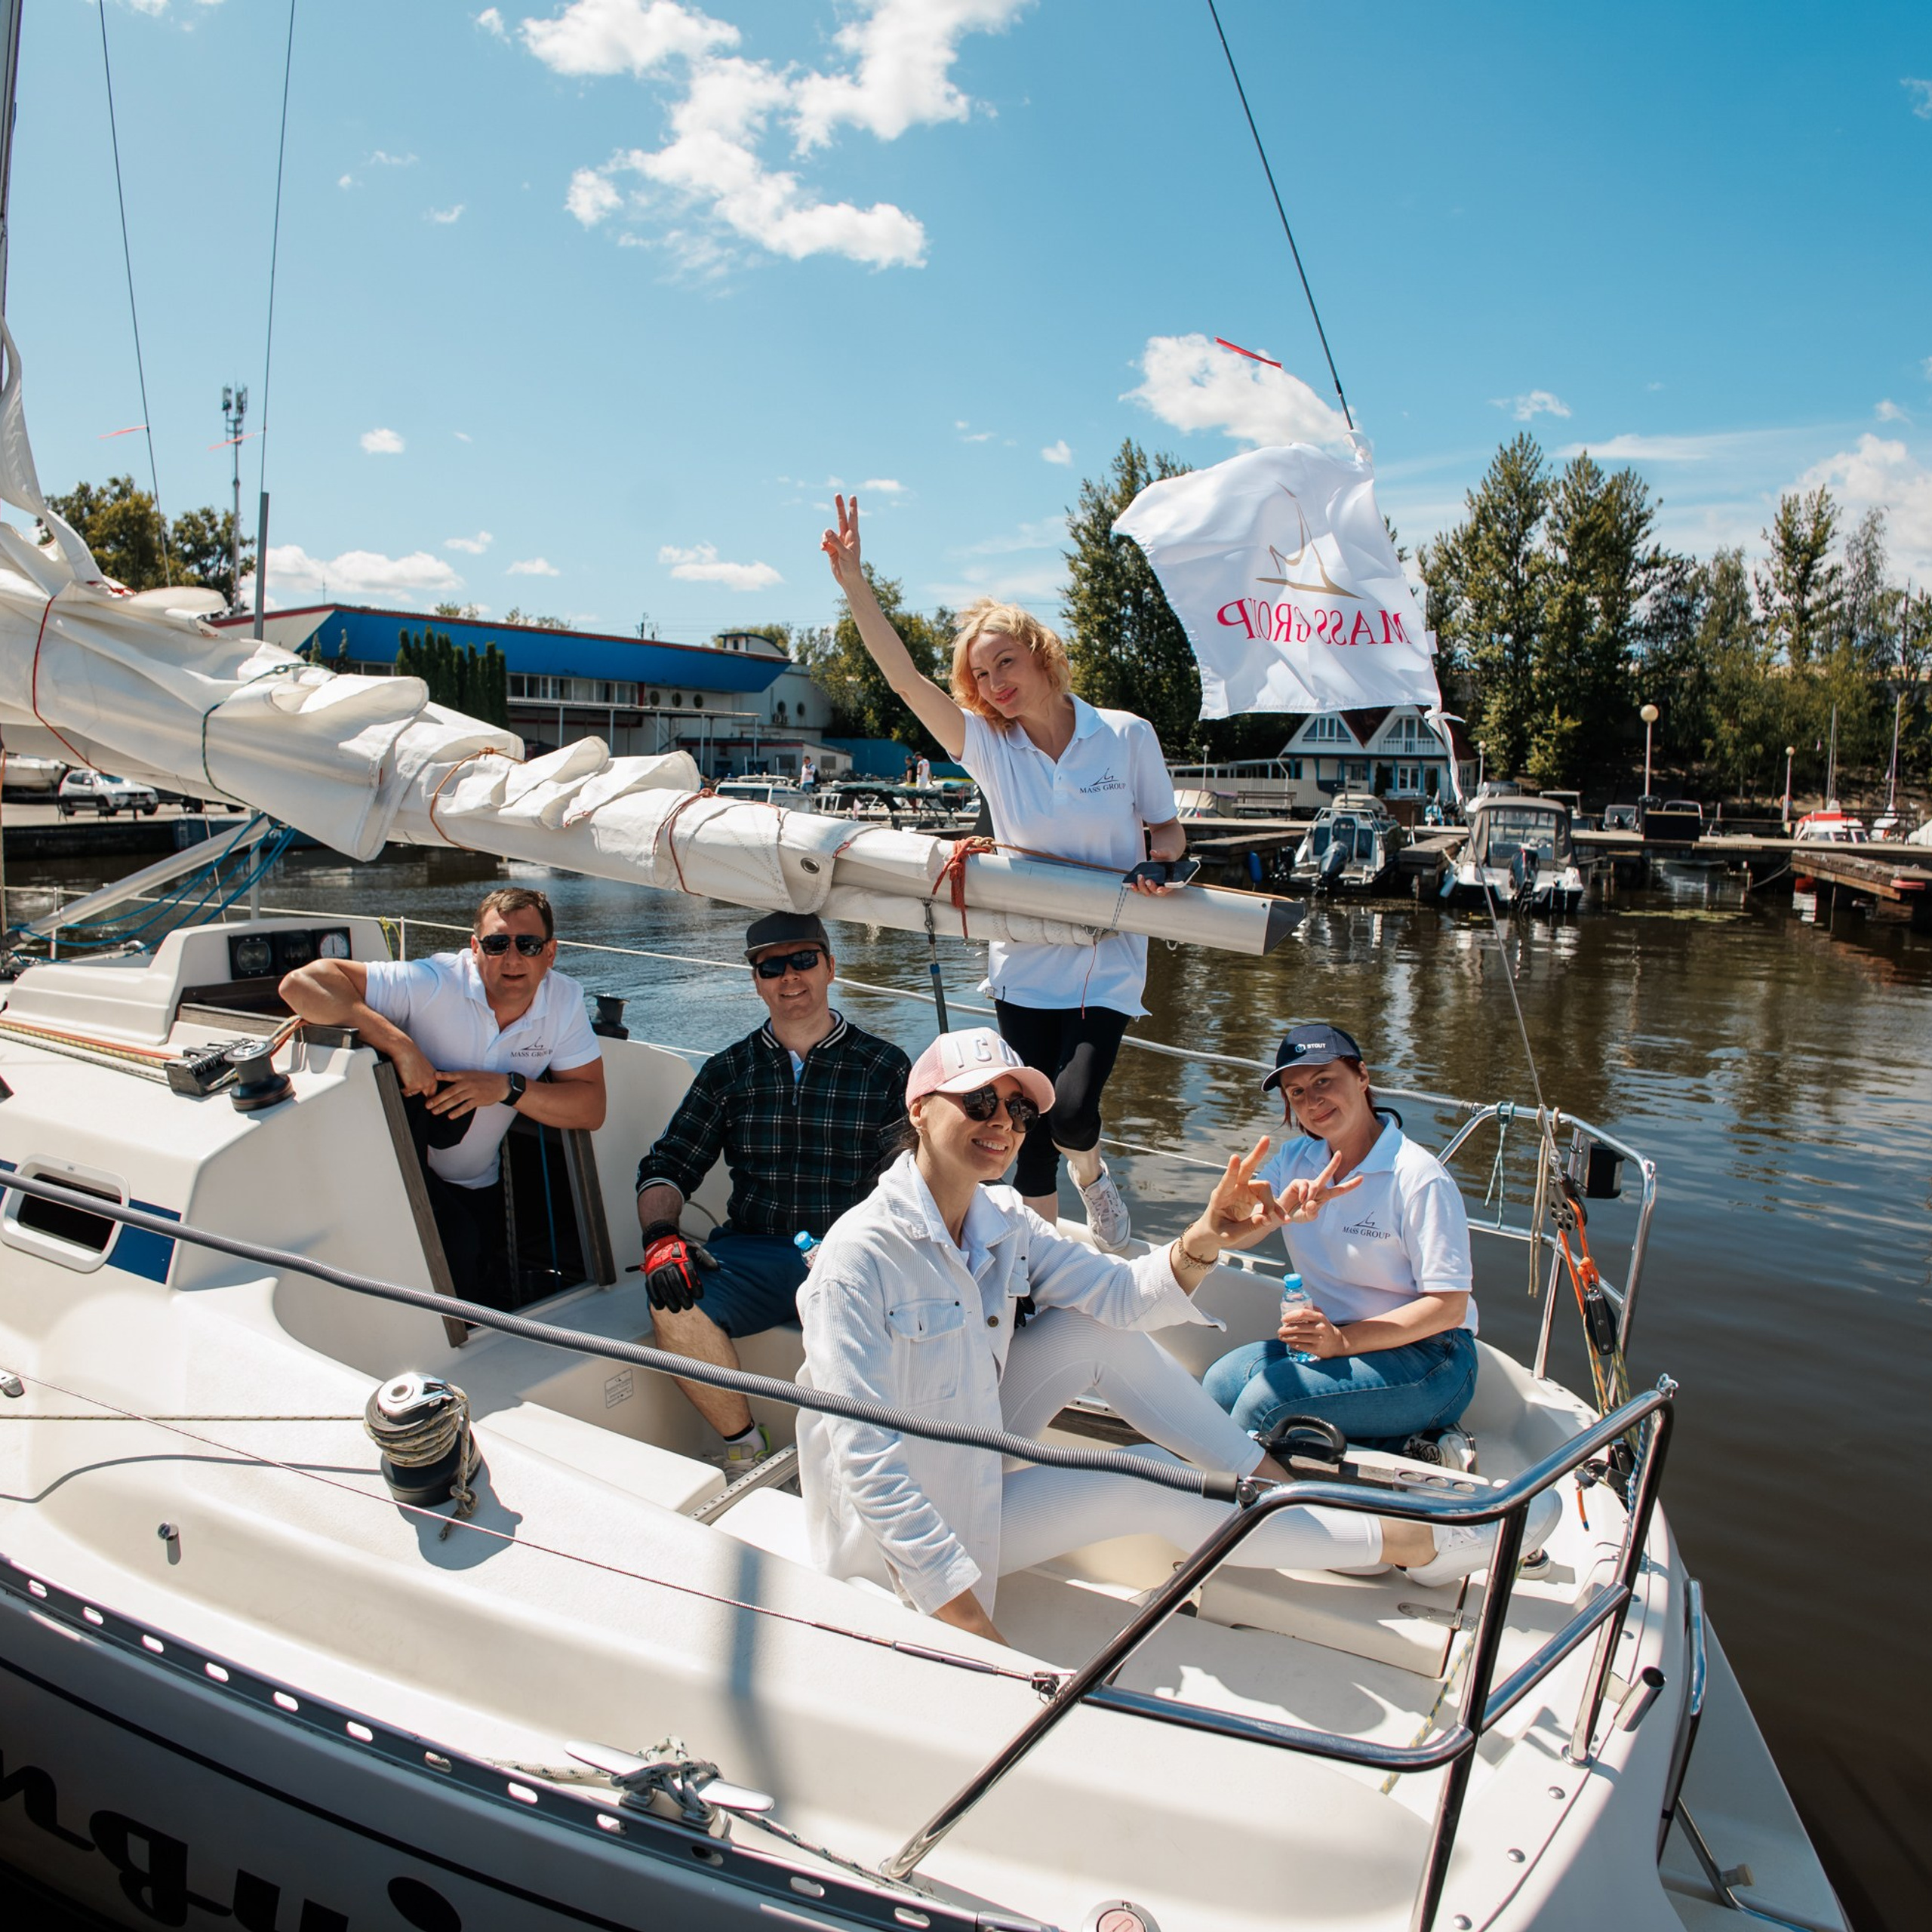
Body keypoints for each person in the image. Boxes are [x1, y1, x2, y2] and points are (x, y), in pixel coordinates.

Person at [795, 1028, 1555, 1645]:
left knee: (1096, 1330)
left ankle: (1286, 1497)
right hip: (903, 1546)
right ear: (921, 1109)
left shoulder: (1003, 1223)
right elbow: (867, 1459)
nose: (1003, 1123)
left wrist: (1208, 1235)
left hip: (975, 1461)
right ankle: (1409, 1542)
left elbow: (1122, 1297)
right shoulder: (860, 1259)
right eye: (980, 1102)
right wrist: (968, 1626)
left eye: (1018, 1112)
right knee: (1154, 1477)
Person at [821, 493, 1185, 1251]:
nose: (992, 684)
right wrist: (856, 583)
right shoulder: (988, 747)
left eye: (1004, 663)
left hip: (1106, 958)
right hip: (1024, 959)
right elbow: (904, 683)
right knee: (1026, 1131)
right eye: (980, 675)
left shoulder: (1124, 736)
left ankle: (1094, 1175)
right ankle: (1039, 1275)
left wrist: (1158, 862)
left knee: (1073, 1109)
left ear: (1041, 655)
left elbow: (1167, 827)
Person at [635, 911, 912, 1467]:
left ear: (831, 966)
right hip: (752, 1249)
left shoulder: (885, 1066)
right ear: (756, 981)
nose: (790, 978)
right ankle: (746, 1449)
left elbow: (917, 1176)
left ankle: (872, 1469)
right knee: (673, 1305)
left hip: (853, 1252)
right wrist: (662, 1237)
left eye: (804, 961)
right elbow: (667, 1166)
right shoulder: (726, 1071)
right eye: (771, 967)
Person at [279, 888, 607, 1309]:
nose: (512, 959)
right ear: (475, 949)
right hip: (396, 1183)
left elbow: (591, 1108)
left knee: (477, 1285)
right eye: (496, 944)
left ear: (550, 953)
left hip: (476, 1185)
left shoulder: (564, 1002)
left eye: (528, 945)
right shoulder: (434, 983)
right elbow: (300, 984)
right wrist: (400, 1045)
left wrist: (507, 1088)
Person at [1203, 1023, 1481, 1456]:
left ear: (1362, 1076)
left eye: (1323, 1081)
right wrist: (1246, 1214)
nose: (1311, 1101)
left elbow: (1450, 1307)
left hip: (1433, 1357)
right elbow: (1240, 1231)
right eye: (1296, 1092)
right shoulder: (1296, 1159)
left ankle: (1243, 1515)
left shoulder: (1418, 1177)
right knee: (1219, 1385)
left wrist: (1344, 1343)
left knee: (1266, 1406)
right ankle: (1399, 1442)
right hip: (1335, 1340)